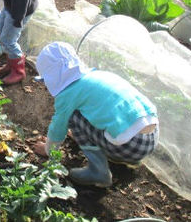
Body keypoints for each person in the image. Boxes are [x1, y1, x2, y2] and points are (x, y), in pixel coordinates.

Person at [32, 42, 159, 187]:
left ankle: (99, 172)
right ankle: (125, 156)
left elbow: (57, 128)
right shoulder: (97, 75)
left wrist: (49, 150)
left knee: (73, 117)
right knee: (95, 112)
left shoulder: (68, 93)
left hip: (130, 146)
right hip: (151, 136)